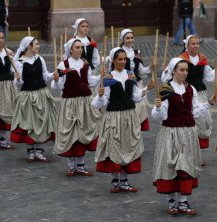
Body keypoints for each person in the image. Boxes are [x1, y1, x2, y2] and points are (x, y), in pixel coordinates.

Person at [152, 58, 217, 215]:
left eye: (186, 70)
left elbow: (195, 112)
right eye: (181, 70)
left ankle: (183, 201)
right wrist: (158, 107)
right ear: (173, 71)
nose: (184, 73)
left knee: (185, 165)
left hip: (188, 132)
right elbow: (158, 116)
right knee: (171, 166)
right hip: (171, 132)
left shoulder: (191, 89)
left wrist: (209, 103)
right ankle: (171, 200)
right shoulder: (166, 89)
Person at [91, 47, 154, 193]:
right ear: (113, 60)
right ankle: (115, 180)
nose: (122, 62)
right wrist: (100, 96)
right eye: (120, 59)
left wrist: (147, 89)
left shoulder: (130, 75)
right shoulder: (108, 78)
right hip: (113, 116)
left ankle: (125, 180)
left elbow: (136, 97)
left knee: (128, 146)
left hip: (129, 116)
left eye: (124, 59)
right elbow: (100, 103)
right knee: (115, 147)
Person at [163, 35, 217, 165]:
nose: (196, 46)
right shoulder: (181, 59)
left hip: (200, 93)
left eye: (197, 44)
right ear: (187, 45)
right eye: (193, 44)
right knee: (190, 122)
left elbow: (208, 76)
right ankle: (188, 155)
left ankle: (196, 153)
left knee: (202, 121)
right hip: (186, 94)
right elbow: (169, 75)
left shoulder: (202, 59)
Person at [52, 38, 101, 176]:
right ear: (70, 49)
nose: (80, 49)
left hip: (84, 102)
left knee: (83, 132)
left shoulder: (85, 64)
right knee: (72, 132)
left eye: (81, 47)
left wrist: (100, 77)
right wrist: (56, 79)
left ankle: (81, 165)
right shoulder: (63, 64)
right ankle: (71, 165)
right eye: (77, 47)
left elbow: (90, 82)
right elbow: (57, 86)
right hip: (70, 103)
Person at [10, 36, 58, 162]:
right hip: (28, 96)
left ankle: (39, 150)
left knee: (42, 122)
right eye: (36, 44)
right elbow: (18, 85)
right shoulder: (19, 63)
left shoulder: (40, 59)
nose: (38, 46)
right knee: (30, 123)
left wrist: (54, 75)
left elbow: (45, 76)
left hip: (42, 93)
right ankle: (31, 150)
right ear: (29, 47)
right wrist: (18, 78)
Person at [120, 28, 153, 131]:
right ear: (123, 39)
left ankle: (135, 128)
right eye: (127, 38)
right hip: (124, 85)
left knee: (140, 106)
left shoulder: (136, 53)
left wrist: (150, 67)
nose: (130, 40)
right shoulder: (118, 52)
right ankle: (127, 127)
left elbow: (141, 71)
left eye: (131, 38)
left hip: (137, 83)